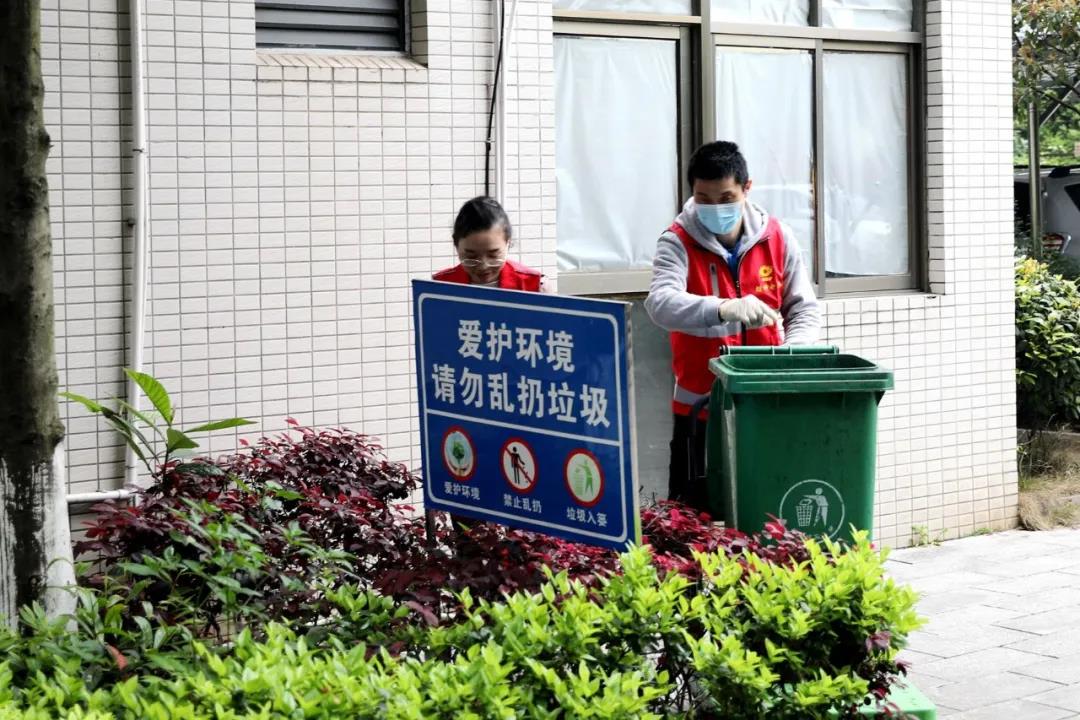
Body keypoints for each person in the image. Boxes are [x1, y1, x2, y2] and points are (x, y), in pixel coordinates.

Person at [645, 141, 822, 514]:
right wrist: (722, 308)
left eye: (726, 197)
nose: (715, 208)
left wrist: (791, 357)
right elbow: (660, 303)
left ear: (747, 188)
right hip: (699, 410)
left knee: (764, 510)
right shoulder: (677, 241)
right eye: (703, 198)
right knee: (692, 518)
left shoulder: (777, 238)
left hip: (765, 402)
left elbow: (803, 308)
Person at [433, 196, 547, 291]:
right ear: (456, 245)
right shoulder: (440, 286)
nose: (484, 266)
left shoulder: (533, 286)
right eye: (471, 256)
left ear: (508, 242)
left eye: (493, 255)